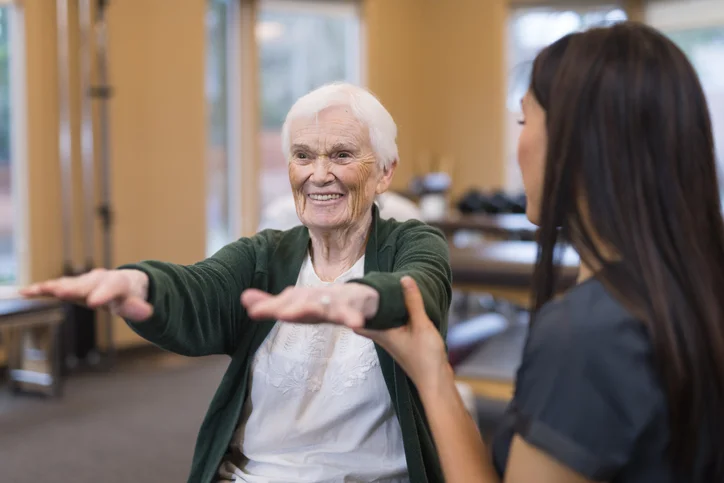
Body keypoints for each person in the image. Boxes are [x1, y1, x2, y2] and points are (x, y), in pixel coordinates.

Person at [342, 22, 724, 483]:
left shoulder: (588, 336)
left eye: (524, 121)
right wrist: (432, 372)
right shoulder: (692, 287)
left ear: (582, 145)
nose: (517, 146)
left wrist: (430, 375)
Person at [21, 82, 452, 483]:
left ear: (384, 172)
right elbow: (201, 287)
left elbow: (420, 289)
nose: (319, 175)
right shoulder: (264, 256)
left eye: (341, 155)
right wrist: (139, 284)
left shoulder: (412, 242)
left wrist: (362, 298)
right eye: (303, 156)